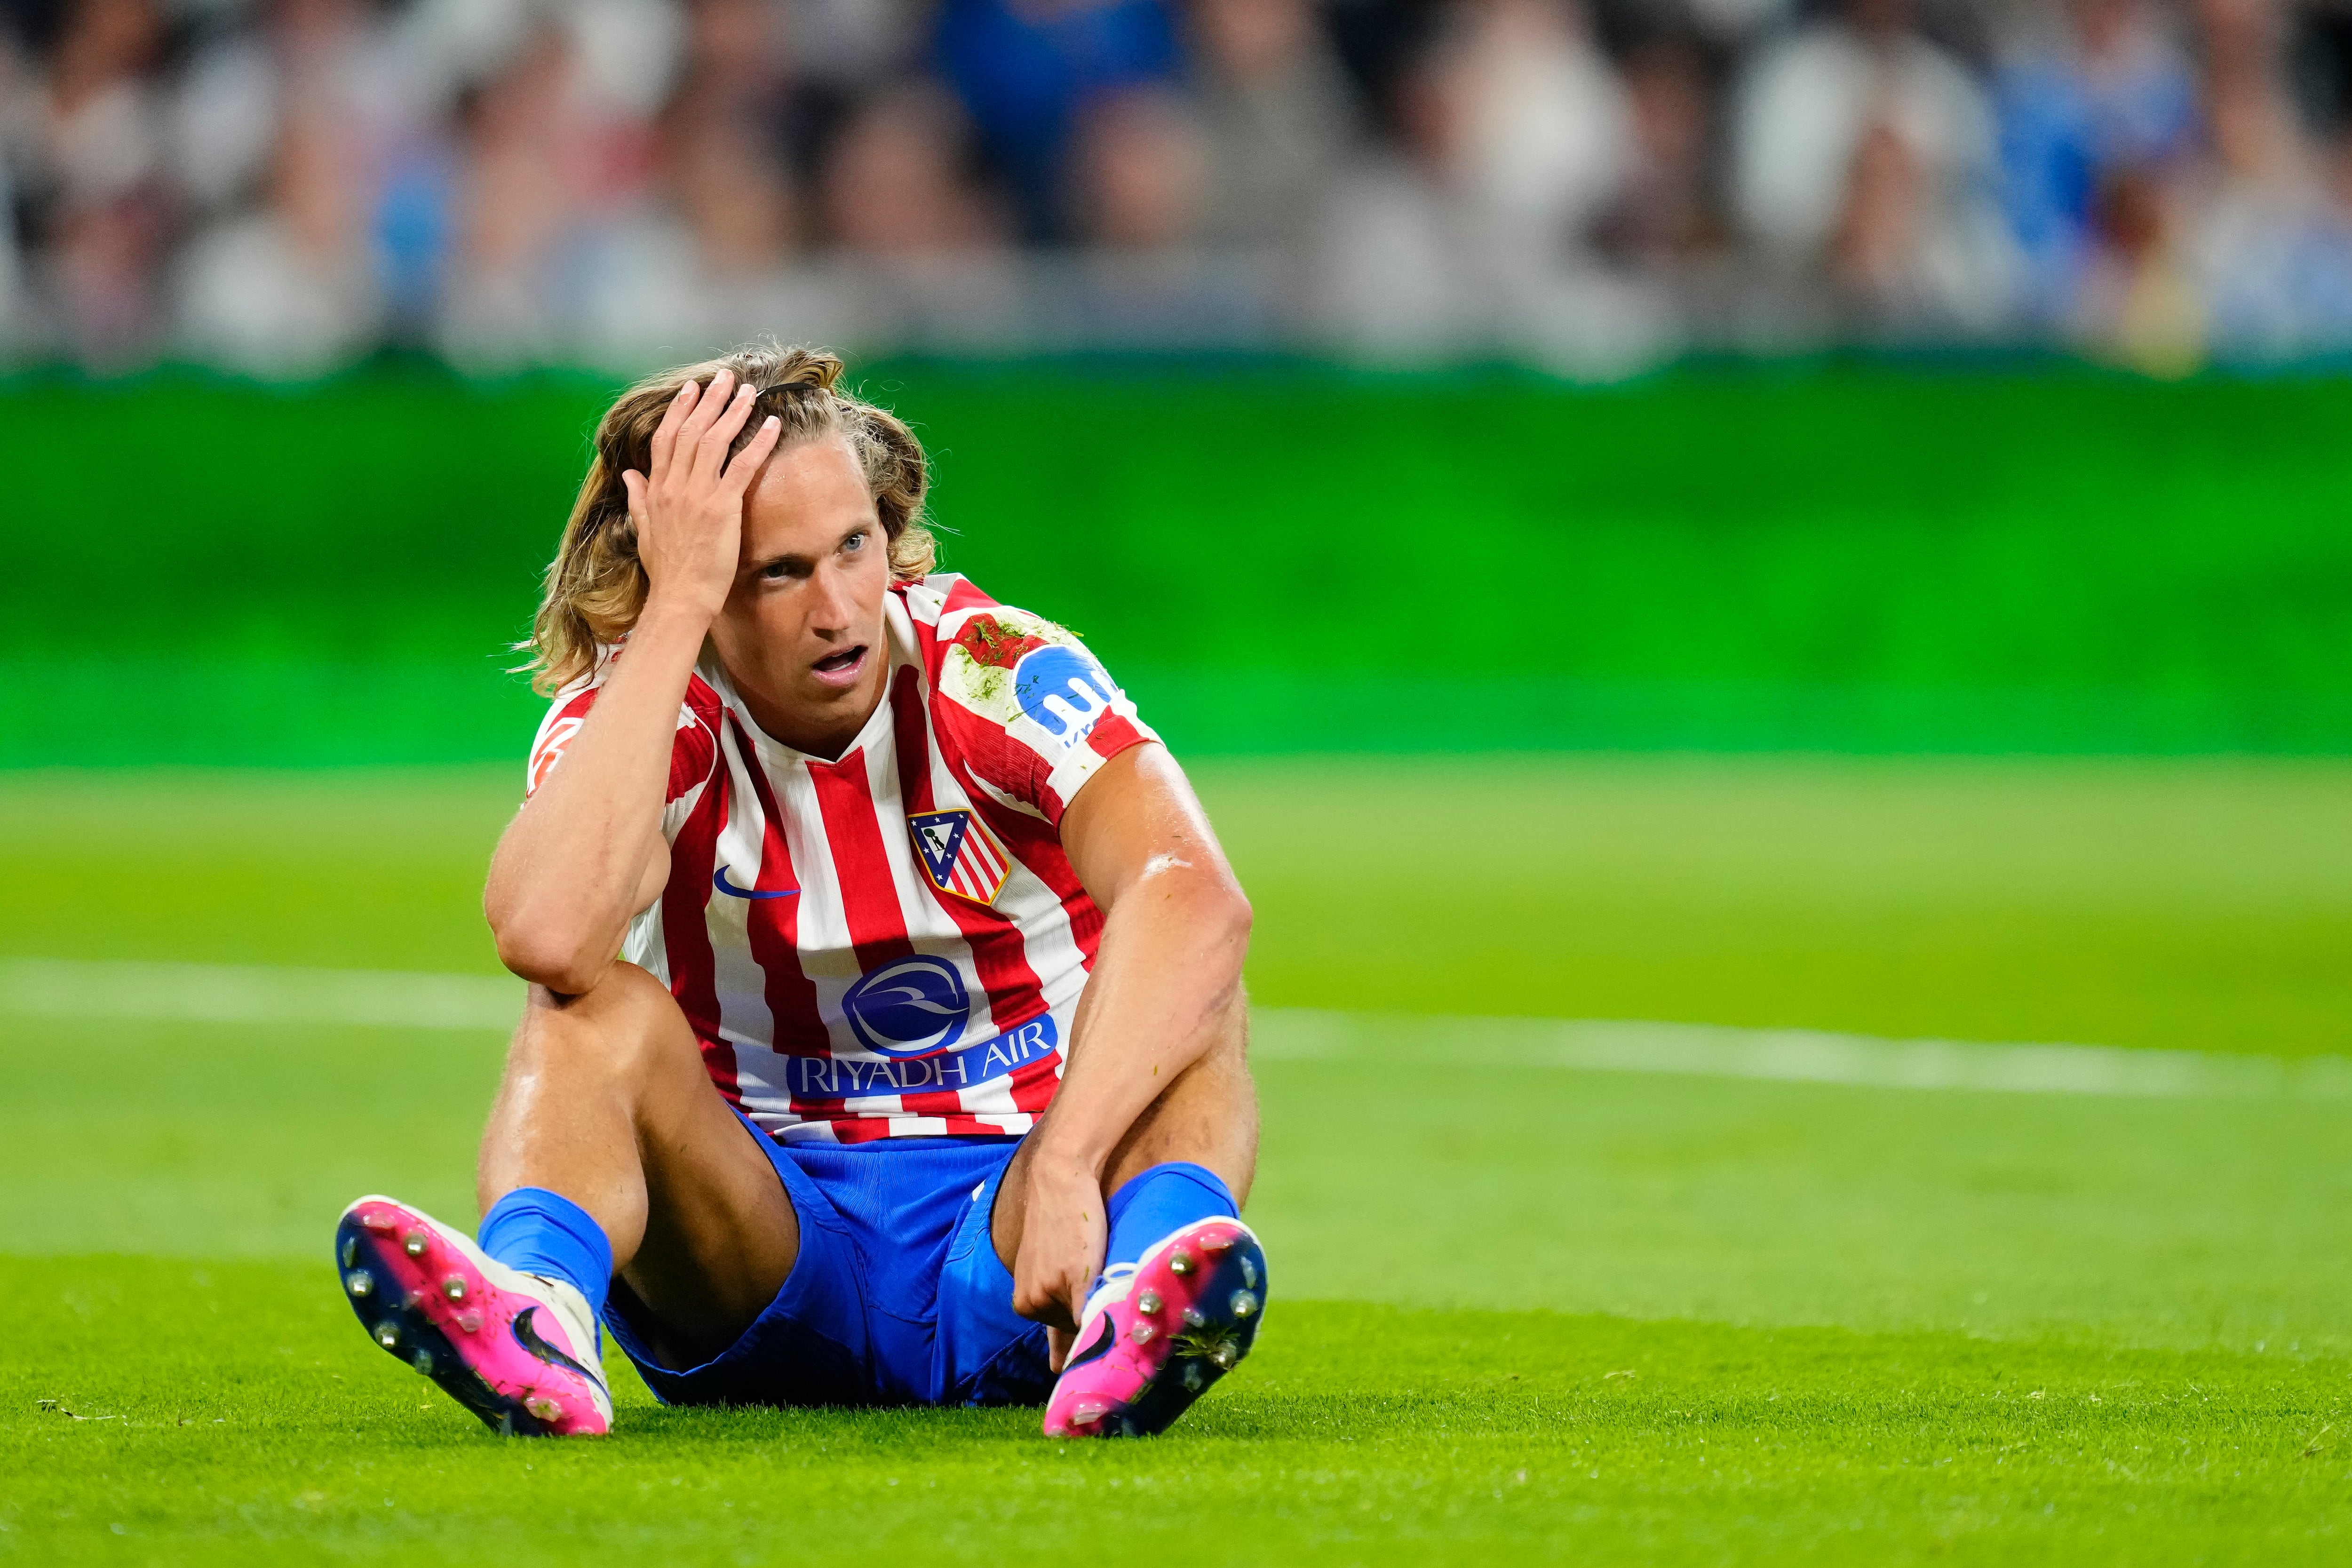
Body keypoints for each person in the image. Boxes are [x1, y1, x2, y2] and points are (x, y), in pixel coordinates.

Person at [334, 343, 1263, 1440]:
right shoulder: (642, 713)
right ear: (702, 577)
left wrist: (1065, 1164)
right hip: (762, 1247)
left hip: (1020, 1233)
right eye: (778, 572)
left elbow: (1195, 893)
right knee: (590, 1008)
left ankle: (1136, 1303)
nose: (838, 607)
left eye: (854, 547)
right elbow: (546, 934)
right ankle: (536, 1312)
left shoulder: (992, 667)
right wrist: (674, 613)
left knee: (1188, 980)